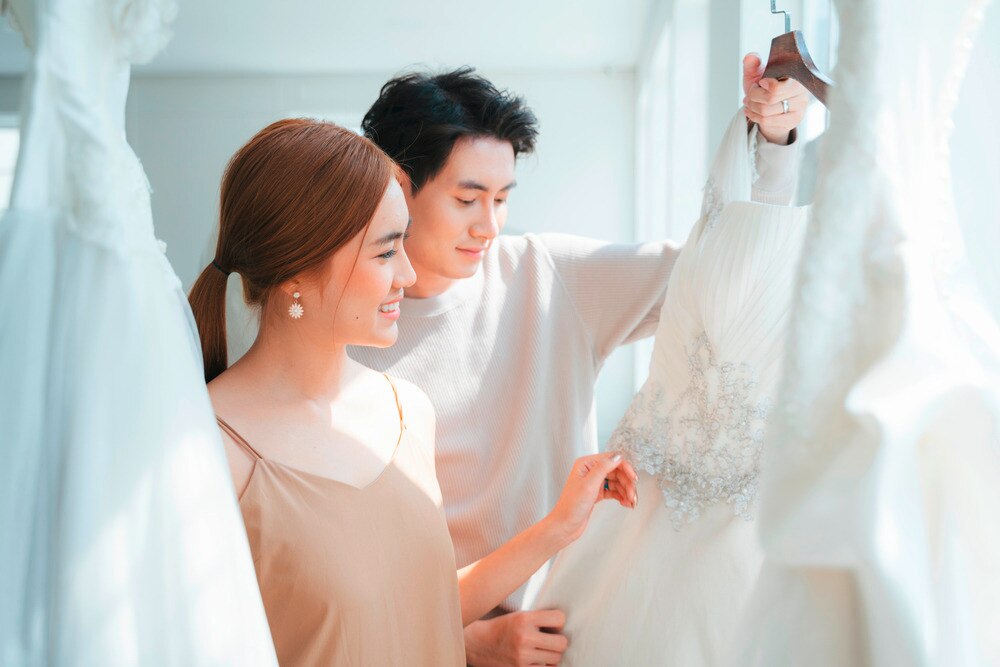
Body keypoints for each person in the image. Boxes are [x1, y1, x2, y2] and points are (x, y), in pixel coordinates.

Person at [350, 55, 808, 665]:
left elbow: (726, 277)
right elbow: (337, 570)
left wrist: (772, 143)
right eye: (468, 199)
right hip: (416, 644)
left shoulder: (549, 275)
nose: (489, 226)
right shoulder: (347, 335)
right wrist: (462, 643)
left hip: (576, 625)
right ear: (398, 188)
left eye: (503, 198)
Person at [188, 118, 638, 667]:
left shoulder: (406, 410)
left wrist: (557, 527)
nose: (406, 272)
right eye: (383, 252)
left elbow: (419, 603)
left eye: (402, 243)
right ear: (295, 271)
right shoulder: (215, 451)